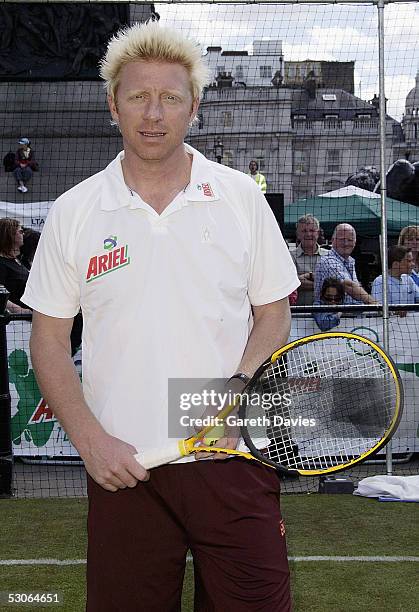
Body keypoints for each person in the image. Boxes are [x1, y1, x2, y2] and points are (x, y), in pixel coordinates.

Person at [23, 22, 299, 611]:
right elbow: (46, 340)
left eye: (170, 98)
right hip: (125, 466)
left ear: (193, 106)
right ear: (112, 105)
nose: (154, 113)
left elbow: (273, 311)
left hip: (231, 454)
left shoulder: (240, 196)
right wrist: (90, 442)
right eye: (137, 96)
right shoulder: (74, 211)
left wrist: (236, 389)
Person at [314, 223, 376, 306]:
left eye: (350, 240)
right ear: (332, 240)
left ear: (355, 242)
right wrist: (374, 303)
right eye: (342, 239)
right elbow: (348, 285)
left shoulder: (349, 261)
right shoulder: (329, 261)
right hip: (331, 316)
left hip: (348, 316)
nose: (346, 243)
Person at [289, 214, 328, 305]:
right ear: (298, 234)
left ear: (317, 233)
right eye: (304, 231)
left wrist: (303, 278)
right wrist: (322, 284)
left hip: (326, 313)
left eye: (312, 230)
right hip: (299, 314)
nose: (308, 234)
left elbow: (334, 283)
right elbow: (291, 284)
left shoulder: (329, 255)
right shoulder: (289, 257)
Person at [0, 218, 32, 314]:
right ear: (10, 235)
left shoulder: (19, 260)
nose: (23, 234)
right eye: (20, 231)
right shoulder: (1, 264)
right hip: (14, 321)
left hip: (28, 317)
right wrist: (20, 310)